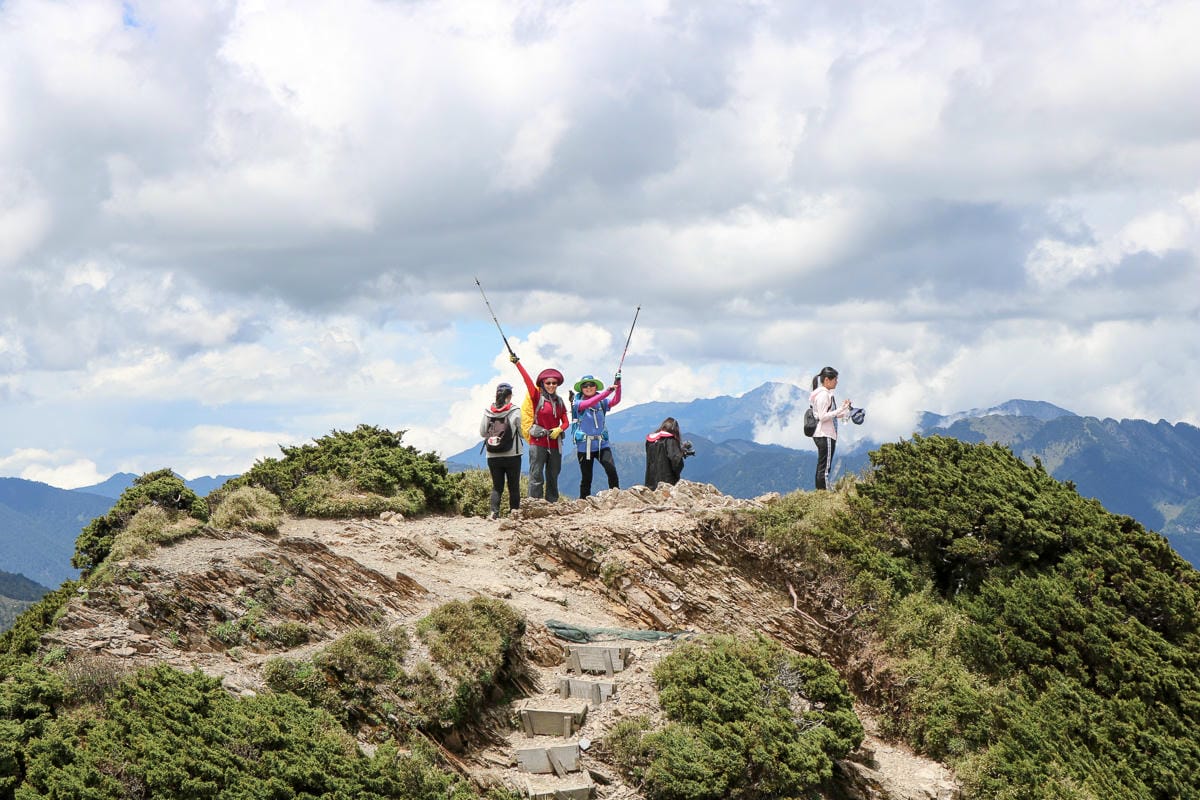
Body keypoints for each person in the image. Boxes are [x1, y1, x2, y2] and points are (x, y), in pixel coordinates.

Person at [511, 354, 569, 502]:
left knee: (553, 475)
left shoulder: (560, 402)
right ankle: (534, 504)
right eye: (548, 382)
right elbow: (527, 380)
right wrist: (518, 363)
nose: (551, 385)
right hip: (538, 442)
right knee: (536, 474)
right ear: (542, 384)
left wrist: (560, 429)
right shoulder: (536, 396)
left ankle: (552, 503)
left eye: (554, 383)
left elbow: (566, 422)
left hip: (555, 443)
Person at [572, 372, 622, 498]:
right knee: (587, 477)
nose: (588, 388)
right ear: (581, 389)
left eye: (591, 385)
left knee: (611, 470)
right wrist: (607, 392)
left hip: (601, 444)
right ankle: (583, 502)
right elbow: (588, 403)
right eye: (585, 386)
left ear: (595, 387)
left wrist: (618, 385)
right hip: (585, 446)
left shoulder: (602, 402)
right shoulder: (577, 403)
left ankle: (616, 497)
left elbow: (616, 400)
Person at [478, 382, 522, 520]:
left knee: (497, 486)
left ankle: (494, 513)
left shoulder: (488, 411)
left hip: (492, 455)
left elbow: (482, 432)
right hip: (512, 454)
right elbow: (521, 432)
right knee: (513, 485)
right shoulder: (515, 410)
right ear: (509, 396)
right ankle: (514, 513)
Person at [809, 366, 851, 490]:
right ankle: (825, 493)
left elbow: (829, 415)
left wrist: (845, 412)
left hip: (823, 433)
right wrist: (841, 409)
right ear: (827, 380)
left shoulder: (823, 394)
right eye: (835, 379)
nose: (837, 382)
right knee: (825, 468)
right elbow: (822, 417)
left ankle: (820, 492)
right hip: (825, 434)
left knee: (822, 465)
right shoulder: (823, 395)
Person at [645, 417, 688, 488]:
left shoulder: (650, 441)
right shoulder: (670, 440)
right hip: (667, 483)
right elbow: (676, 461)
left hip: (650, 483)